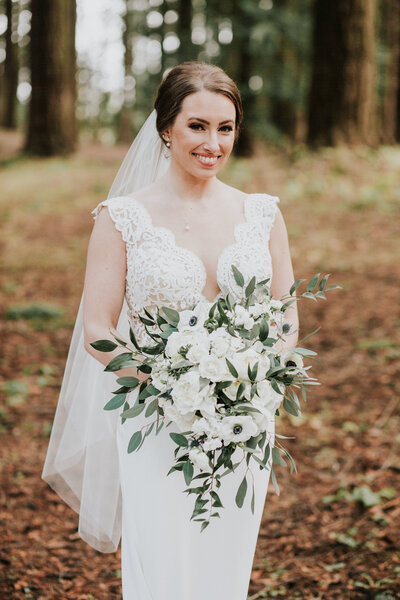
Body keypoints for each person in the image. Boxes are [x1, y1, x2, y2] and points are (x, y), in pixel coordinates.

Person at [43, 61, 299, 600]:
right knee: (163, 559)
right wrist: (174, 384)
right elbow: (96, 330)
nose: (213, 142)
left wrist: (253, 383)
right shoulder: (122, 219)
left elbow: (285, 314)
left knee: (226, 557)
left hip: (243, 422)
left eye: (225, 128)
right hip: (157, 418)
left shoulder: (262, 214)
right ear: (166, 129)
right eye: (197, 126)